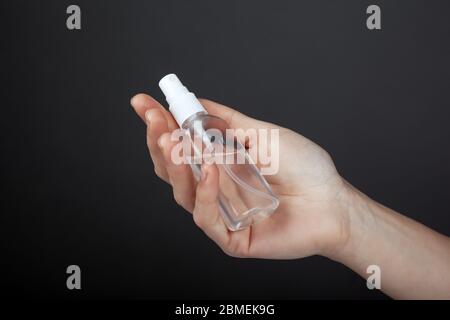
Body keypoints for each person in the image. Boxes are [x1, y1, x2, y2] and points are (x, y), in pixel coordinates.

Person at [131, 93, 450, 299]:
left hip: (267, 199)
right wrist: (341, 218)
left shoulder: (212, 125)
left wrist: (336, 209)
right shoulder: (203, 130)